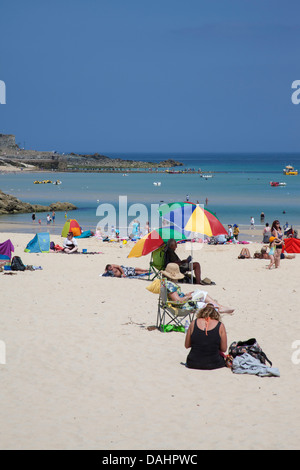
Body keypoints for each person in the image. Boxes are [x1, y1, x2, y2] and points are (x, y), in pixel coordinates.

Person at [161, 263, 234, 315]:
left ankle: (219, 307)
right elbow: (177, 300)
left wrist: (186, 295)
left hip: (179, 304)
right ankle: (218, 308)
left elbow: (175, 297)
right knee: (202, 298)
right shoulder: (170, 285)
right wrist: (187, 297)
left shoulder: (165, 283)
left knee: (200, 293)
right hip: (181, 306)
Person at [185, 303, 227, 370]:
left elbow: (187, 345)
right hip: (213, 363)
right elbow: (224, 349)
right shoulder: (220, 326)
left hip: (192, 362)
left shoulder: (193, 323)